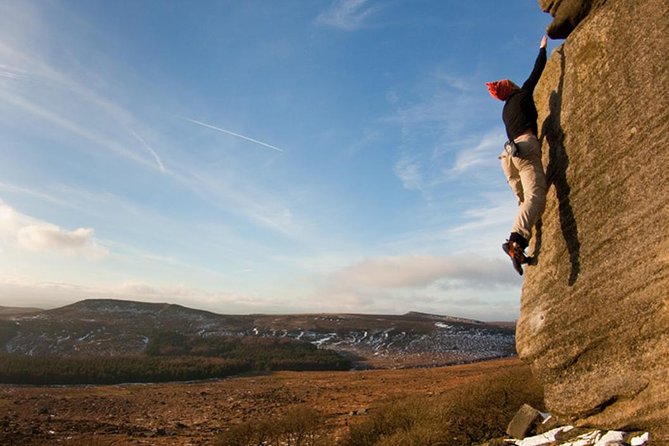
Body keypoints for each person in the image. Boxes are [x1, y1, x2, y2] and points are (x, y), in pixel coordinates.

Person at [486, 35, 548, 276]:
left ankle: (520, 238)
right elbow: (537, 72)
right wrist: (543, 49)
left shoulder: (505, 110)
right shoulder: (522, 95)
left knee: (523, 201)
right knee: (536, 196)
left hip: (507, 157)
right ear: (511, 87)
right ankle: (516, 242)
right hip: (524, 149)